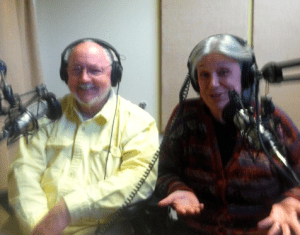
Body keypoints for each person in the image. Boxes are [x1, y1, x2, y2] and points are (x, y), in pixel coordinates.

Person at [7, 38, 159, 235]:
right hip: (37, 228)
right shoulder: (46, 116)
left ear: (113, 74)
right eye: (76, 70)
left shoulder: (139, 122)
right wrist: (38, 226)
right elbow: (24, 173)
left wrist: (67, 209)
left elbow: (139, 180)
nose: (84, 78)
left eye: (94, 70)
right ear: (65, 74)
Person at [155, 34, 300, 235]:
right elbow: (164, 173)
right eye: (204, 74)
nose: (213, 84)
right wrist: (177, 188)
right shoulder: (185, 117)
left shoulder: (274, 121)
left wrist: (291, 201)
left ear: (245, 76)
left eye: (223, 72)